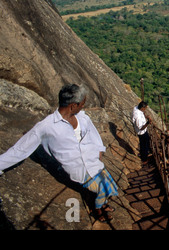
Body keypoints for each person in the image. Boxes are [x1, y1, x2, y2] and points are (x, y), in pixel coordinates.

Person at [0, 84, 118, 222]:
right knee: (100, 189)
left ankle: (103, 204)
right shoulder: (47, 126)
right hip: (79, 170)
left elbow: (94, 135)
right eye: (81, 104)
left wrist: (99, 152)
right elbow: (20, 149)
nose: (83, 107)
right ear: (73, 105)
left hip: (94, 163)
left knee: (109, 185)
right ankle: (96, 209)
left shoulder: (83, 118)